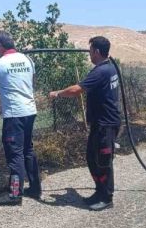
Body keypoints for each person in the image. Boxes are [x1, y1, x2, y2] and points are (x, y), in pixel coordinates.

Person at [48, 36, 121, 211]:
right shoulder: (110, 67)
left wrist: (57, 93)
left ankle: (106, 197)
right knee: (91, 157)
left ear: (96, 51)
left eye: (90, 51)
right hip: (102, 122)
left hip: (106, 123)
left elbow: (77, 90)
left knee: (103, 161)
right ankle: (99, 191)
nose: (89, 54)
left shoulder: (100, 72)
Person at [0, 31, 41, 205]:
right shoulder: (27, 60)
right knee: (27, 150)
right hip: (30, 111)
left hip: (14, 115)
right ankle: (35, 188)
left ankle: (15, 195)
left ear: (0, 46)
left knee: (14, 153)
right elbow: (33, 82)